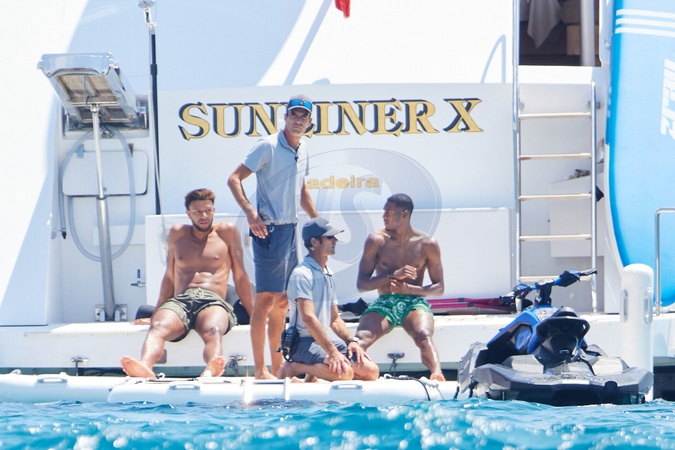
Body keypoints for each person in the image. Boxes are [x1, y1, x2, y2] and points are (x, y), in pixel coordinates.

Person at [228, 95, 319, 379]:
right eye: (294, 114)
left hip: (291, 231)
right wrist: (250, 213)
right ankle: (259, 370)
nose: (298, 120)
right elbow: (234, 179)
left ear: (310, 122)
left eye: (303, 116)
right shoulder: (266, 145)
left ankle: (278, 368)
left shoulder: (304, 148)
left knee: (282, 302)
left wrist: (318, 222)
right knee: (265, 301)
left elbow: (301, 191)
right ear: (285, 116)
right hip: (268, 230)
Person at [121, 188, 254, 378]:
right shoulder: (177, 233)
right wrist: (155, 313)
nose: (204, 216)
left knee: (213, 329)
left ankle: (211, 369)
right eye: (198, 212)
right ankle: (144, 366)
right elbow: (169, 277)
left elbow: (240, 276)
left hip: (212, 300)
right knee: (158, 326)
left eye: (208, 210)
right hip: (181, 300)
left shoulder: (227, 232)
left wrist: (254, 314)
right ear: (188, 213)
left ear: (214, 211)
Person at [354, 193, 446, 381]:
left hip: (414, 303)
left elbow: (439, 288)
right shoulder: (376, 240)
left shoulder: (427, 244)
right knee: (361, 338)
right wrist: (391, 276)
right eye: (384, 212)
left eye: (388, 212)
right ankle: (348, 373)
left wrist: (410, 290)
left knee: (423, 335)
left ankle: (437, 374)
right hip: (385, 302)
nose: (384, 216)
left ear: (404, 214)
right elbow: (362, 284)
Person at [277, 218, 379, 382]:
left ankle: (311, 376)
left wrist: (350, 341)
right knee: (345, 374)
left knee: (372, 371)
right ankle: (295, 367)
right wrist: (332, 352)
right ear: (314, 242)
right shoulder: (302, 274)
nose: (335, 240)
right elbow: (308, 318)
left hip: (320, 341)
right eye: (330, 237)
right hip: (302, 343)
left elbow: (334, 318)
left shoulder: (328, 273)